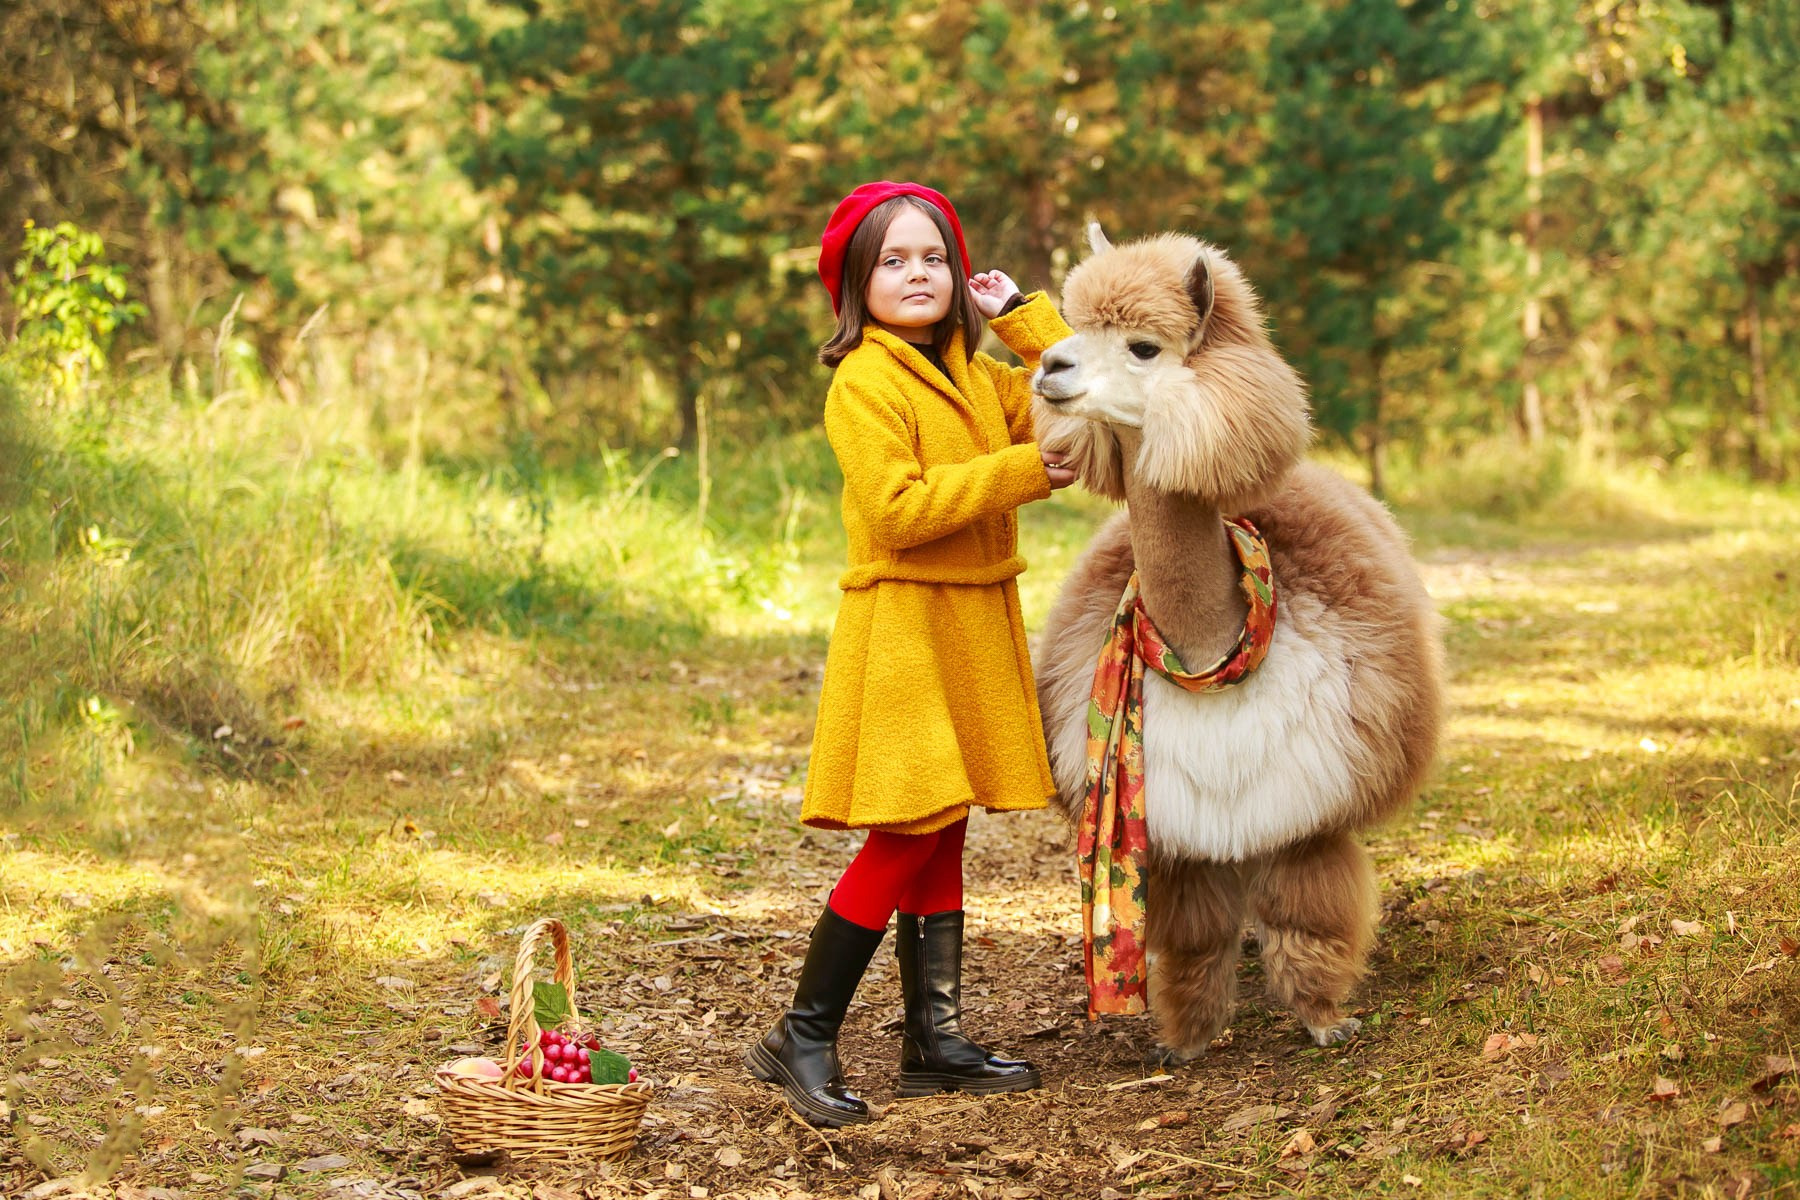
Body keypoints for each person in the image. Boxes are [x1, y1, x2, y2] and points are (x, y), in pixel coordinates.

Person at [744, 181, 1077, 1127]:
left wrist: (1021, 320)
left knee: (947, 822)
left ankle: (934, 1039)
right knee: (907, 825)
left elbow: (1073, 394)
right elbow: (895, 509)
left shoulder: (979, 375)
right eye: (893, 260)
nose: (917, 273)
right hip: (904, 628)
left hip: (971, 620)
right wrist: (1017, 473)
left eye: (934, 256)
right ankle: (799, 1035)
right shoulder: (864, 382)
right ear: (858, 283)